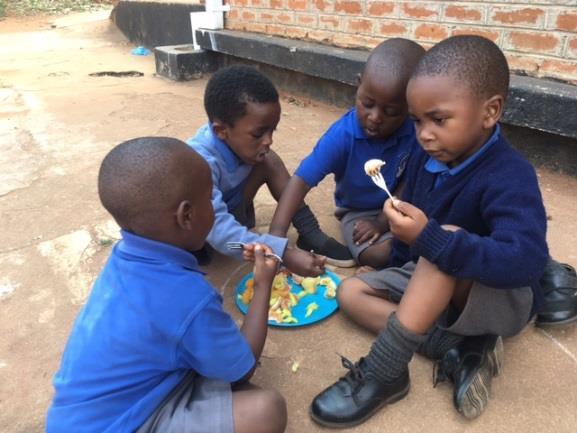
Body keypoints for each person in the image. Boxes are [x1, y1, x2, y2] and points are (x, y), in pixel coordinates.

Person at [310, 35, 549, 428]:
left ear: (490, 112)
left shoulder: (510, 175)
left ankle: (386, 371)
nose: (424, 134)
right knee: (350, 291)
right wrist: (399, 246)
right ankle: (456, 349)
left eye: (438, 120)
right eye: (417, 121)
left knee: (445, 238)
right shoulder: (427, 154)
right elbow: (421, 243)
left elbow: (526, 260)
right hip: (434, 276)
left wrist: (430, 239)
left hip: (498, 295)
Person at [46, 137, 287, 433]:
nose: (217, 207)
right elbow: (242, 369)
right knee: (265, 410)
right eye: (212, 199)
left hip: (84, 416)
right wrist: (262, 284)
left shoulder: (123, 260)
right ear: (187, 215)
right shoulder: (185, 297)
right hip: (124, 424)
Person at [270, 38, 425, 270]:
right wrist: (276, 238)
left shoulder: (415, 131)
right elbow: (300, 182)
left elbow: (411, 179)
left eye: (391, 111)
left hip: (401, 200)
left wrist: (384, 222)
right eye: (367, 103)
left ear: (411, 107)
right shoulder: (343, 136)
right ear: (358, 85)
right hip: (357, 210)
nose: (375, 117)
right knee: (379, 254)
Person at [187, 65, 344, 272]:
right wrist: (279, 253)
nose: (268, 140)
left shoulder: (242, 144)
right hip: (207, 234)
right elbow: (217, 229)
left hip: (234, 211)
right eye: (258, 134)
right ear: (221, 131)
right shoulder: (198, 163)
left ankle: (309, 232)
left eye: (272, 130)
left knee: (269, 160)